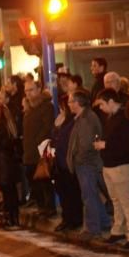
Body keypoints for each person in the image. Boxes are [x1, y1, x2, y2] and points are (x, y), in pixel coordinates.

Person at [94, 89, 129, 248]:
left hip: (120, 166)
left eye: (102, 104)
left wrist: (105, 144)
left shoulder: (125, 118)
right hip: (109, 165)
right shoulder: (111, 117)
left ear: (111, 102)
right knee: (115, 200)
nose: (100, 108)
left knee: (127, 201)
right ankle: (118, 230)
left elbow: (126, 144)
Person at [67, 90, 111, 241]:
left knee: (88, 196)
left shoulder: (86, 119)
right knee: (92, 195)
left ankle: (92, 229)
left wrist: (77, 159)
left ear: (78, 103)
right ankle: (104, 222)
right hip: (88, 163)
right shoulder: (83, 117)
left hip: (86, 163)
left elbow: (85, 145)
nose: (69, 104)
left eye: (71, 101)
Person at [22, 79, 55, 216]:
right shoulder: (29, 108)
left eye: (31, 90)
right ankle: (42, 206)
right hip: (29, 150)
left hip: (41, 149)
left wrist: (38, 141)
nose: (28, 94)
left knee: (44, 179)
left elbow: (47, 127)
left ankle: (49, 207)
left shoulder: (46, 106)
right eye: (26, 91)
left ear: (38, 89)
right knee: (33, 179)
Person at [51, 98, 84, 233]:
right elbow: (54, 136)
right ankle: (66, 218)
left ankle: (75, 219)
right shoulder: (60, 119)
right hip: (58, 161)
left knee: (72, 192)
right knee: (63, 191)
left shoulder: (73, 120)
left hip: (68, 161)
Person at [0, 102, 22, 230]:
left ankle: (9, 219)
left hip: (3, 166)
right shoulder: (10, 127)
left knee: (7, 194)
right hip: (10, 164)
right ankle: (14, 218)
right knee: (11, 192)